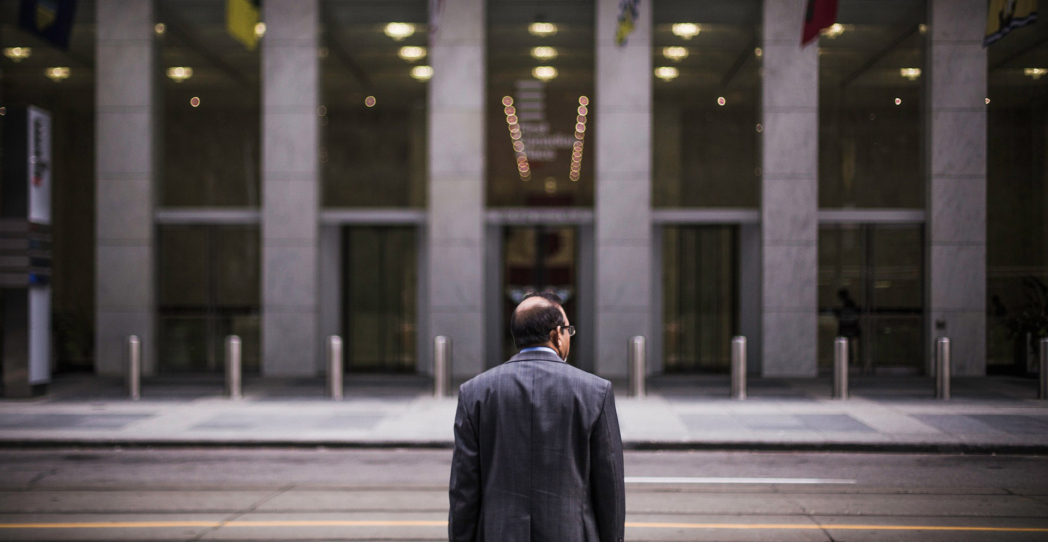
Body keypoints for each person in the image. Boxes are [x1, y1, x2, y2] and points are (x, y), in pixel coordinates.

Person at [448, 292, 625, 542]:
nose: (568, 337)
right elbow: (610, 489)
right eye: (568, 330)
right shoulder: (595, 391)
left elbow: (463, 490)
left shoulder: (475, 392)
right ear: (556, 334)